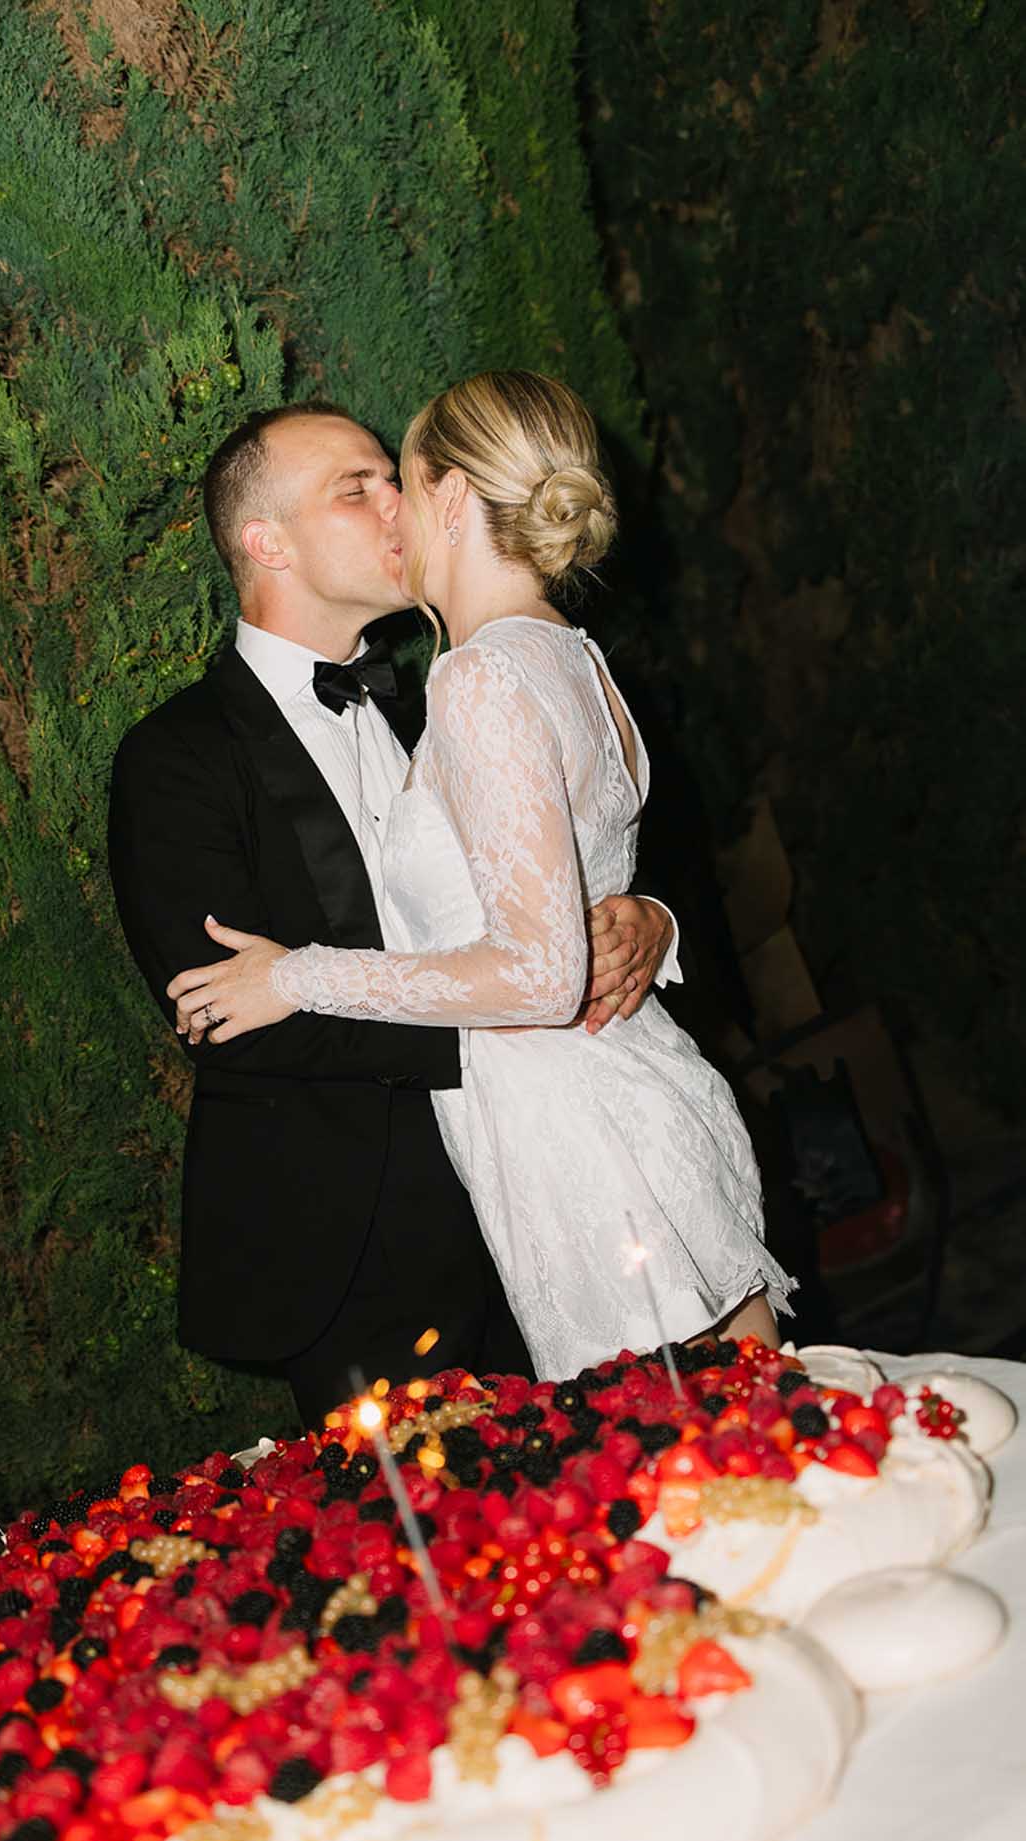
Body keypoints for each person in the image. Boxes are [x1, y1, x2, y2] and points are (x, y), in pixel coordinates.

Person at [167, 373, 795, 1380]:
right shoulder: (571, 657)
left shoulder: (475, 677)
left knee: (685, 1475)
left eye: (395, 483)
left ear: (450, 500)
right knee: (753, 1441)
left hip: (578, 1139)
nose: (387, 513)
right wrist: (637, 915)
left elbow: (542, 966)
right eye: (354, 488)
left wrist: (293, 974)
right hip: (604, 1113)